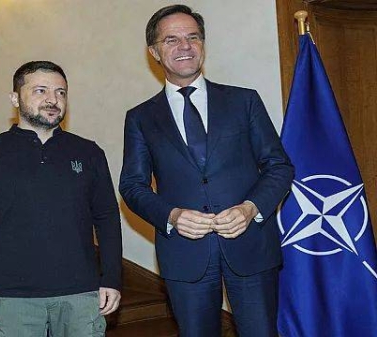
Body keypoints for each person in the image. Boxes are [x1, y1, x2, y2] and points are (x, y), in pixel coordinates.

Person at [118, 5, 294, 337]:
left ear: (203, 44)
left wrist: (250, 208)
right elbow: (132, 185)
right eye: (171, 39)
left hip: (252, 248)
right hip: (185, 255)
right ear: (154, 52)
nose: (184, 46)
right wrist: (171, 215)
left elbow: (279, 166)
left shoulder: (244, 102)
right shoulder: (141, 118)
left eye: (192, 37)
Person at [0, 61, 122, 337]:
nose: (52, 100)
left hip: (81, 296)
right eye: (40, 91)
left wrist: (112, 279)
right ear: (14, 98)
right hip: (8, 300)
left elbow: (107, 219)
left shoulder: (89, 153)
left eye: (61, 92)